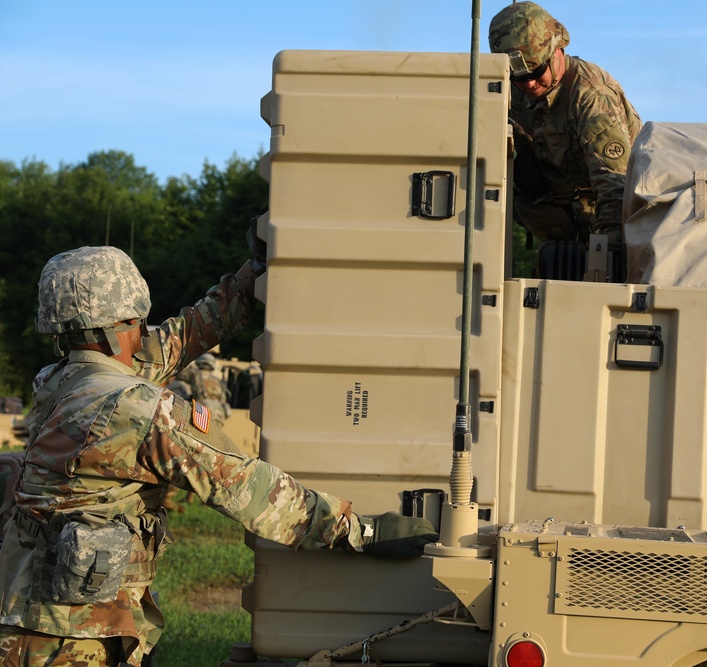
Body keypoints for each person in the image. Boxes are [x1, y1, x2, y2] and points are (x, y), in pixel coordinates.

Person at [0, 240, 437, 666]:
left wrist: (251, 277)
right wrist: (360, 531)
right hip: (69, 638)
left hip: (25, 608)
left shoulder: (60, 382)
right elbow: (245, 487)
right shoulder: (136, 410)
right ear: (123, 326)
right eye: (139, 321)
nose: (146, 332)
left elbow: (185, 334)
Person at [489, 0, 641, 245]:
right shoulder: (507, 92)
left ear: (557, 50)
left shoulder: (590, 95)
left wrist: (605, 254)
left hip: (608, 222)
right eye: (519, 77)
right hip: (562, 228)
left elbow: (614, 185)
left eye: (536, 72)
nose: (528, 84)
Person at [178, 352, 231, 425]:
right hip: (220, 414)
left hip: (204, 411)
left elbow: (178, 374)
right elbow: (224, 399)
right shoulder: (217, 381)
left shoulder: (195, 374)